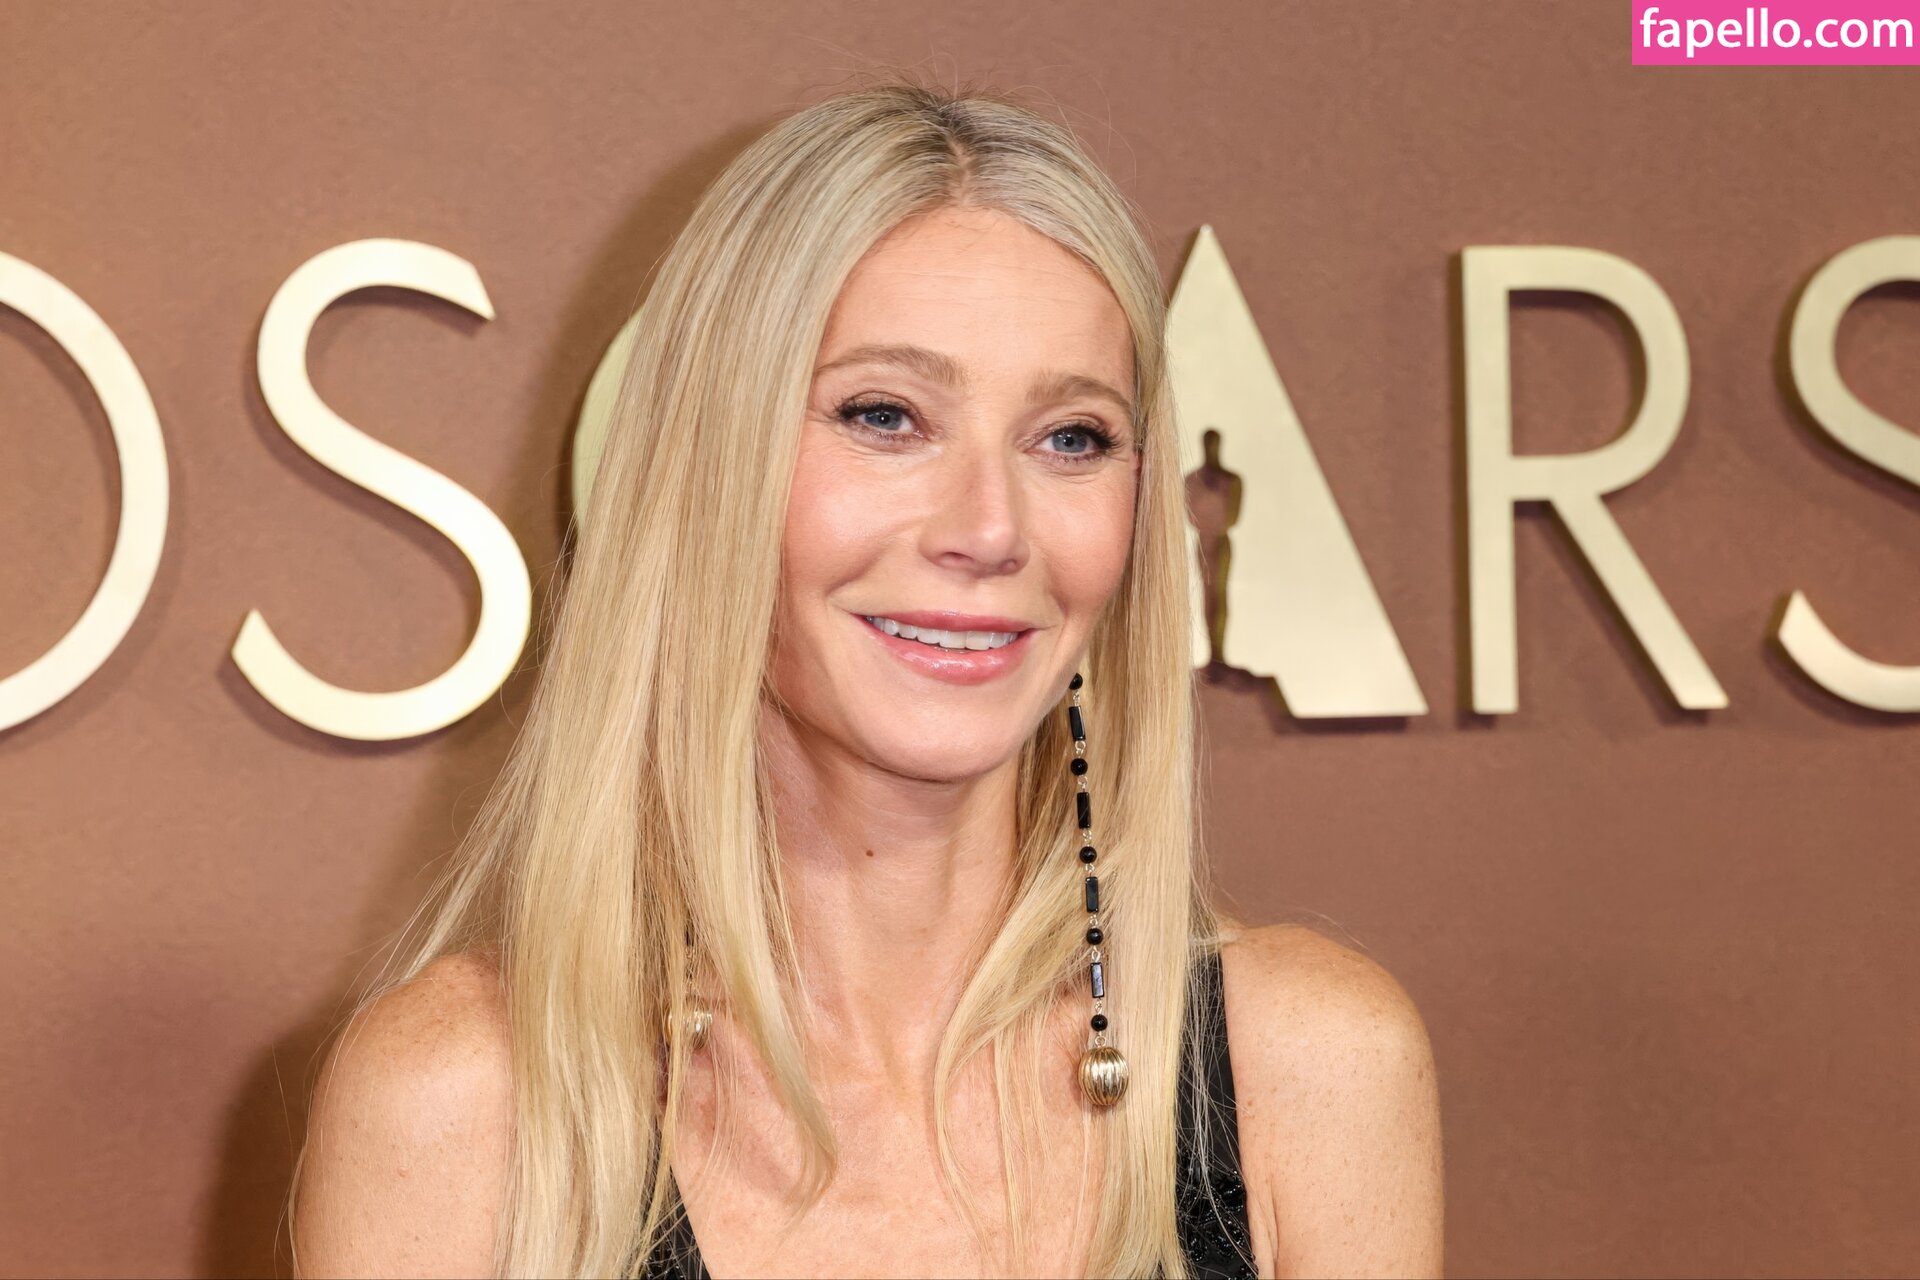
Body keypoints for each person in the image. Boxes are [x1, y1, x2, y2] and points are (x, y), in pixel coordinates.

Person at [289, 80, 1443, 1279]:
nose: (991, 528)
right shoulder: (463, 1109)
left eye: (1073, 437)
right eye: (885, 415)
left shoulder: (1310, 1071)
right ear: (711, 465)